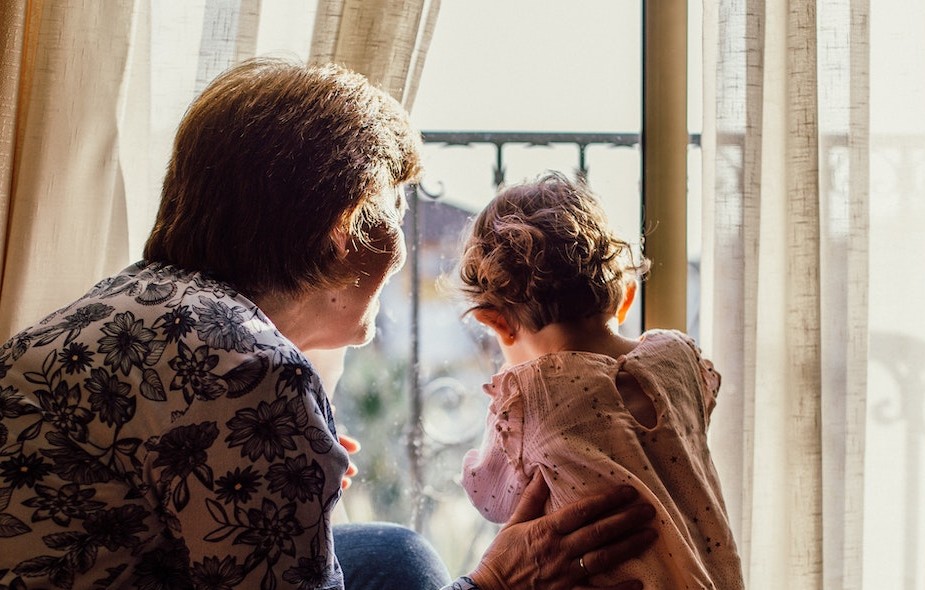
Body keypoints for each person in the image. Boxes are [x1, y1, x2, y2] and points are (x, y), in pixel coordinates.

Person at [0, 59, 656, 590]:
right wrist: (495, 583)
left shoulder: (124, 301)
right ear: (347, 228)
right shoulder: (256, 374)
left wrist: (282, 481)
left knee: (394, 555)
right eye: (393, 213)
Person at [456, 173, 745, 589]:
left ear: (498, 324)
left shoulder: (528, 395)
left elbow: (492, 497)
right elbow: (701, 404)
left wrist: (479, 455)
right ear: (626, 297)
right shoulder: (677, 356)